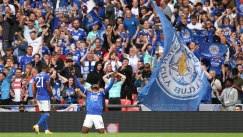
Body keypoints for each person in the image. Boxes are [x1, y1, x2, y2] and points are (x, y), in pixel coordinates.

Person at [32, 64, 56, 134]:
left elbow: (35, 88)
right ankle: (37, 125)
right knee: (47, 113)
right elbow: (48, 87)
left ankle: (46, 130)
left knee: (42, 113)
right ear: (46, 69)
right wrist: (53, 96)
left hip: (38, 97)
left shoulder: (36, 76)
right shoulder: (47, 76)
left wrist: (34, 98)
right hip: (45, 97)